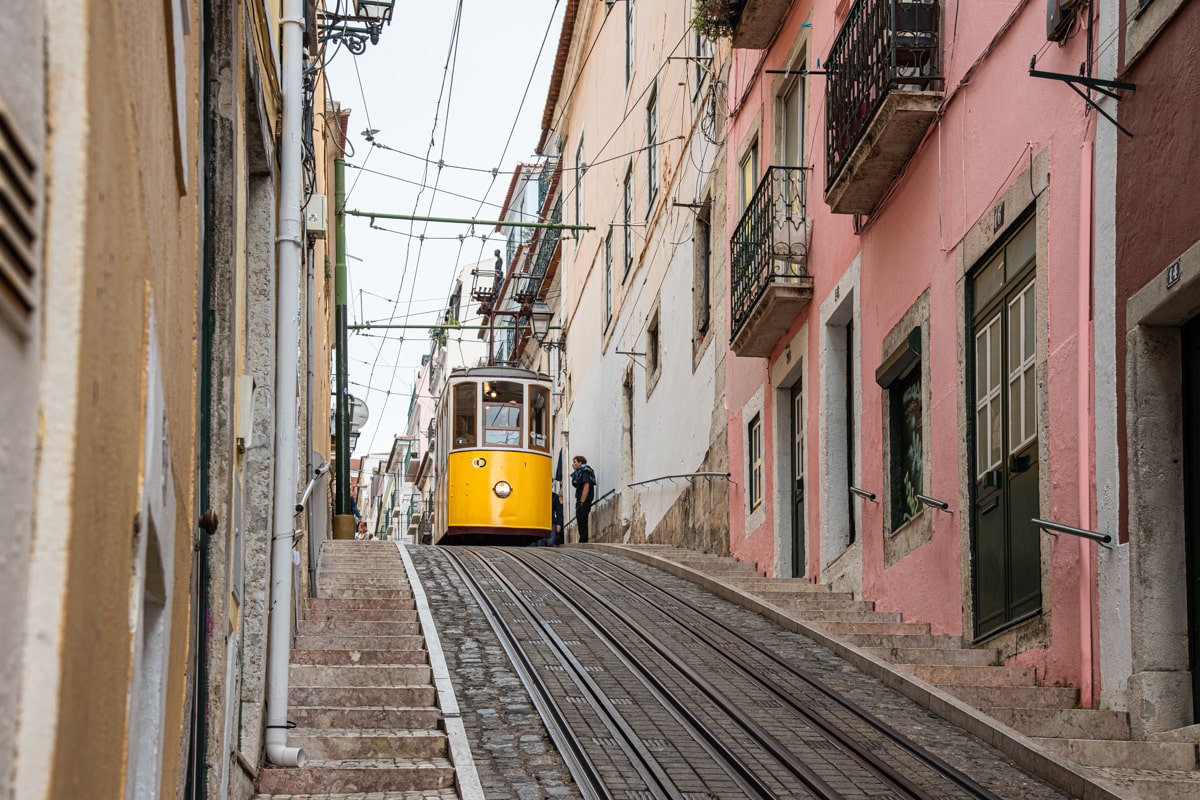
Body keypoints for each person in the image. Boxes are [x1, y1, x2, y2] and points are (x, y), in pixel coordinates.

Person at [571, 455, 597, 544]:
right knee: (580, 519)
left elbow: (586, 487)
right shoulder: (580, 472)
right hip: (581, 500)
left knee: (582, 519)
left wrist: (582, 501)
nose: (573, 464)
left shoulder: (585, 471)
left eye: (575, 462)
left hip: (584, 500)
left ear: (580, 462)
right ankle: (582, 540)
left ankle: (583, 540)